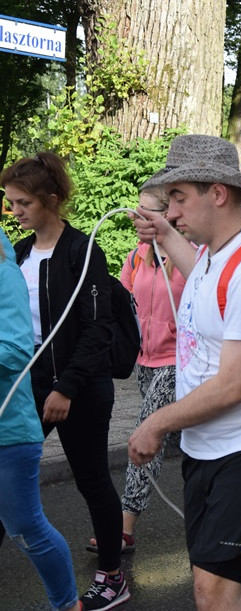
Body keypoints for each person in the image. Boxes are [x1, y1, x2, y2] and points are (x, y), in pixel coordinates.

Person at [127, 134, 241, 610]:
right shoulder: (218, 253)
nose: (170, 212)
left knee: (214, 589)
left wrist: (156, 422)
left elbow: (232, 386)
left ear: (218, 193)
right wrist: (167, 237)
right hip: (212, 449)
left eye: (178, 197)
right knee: (233, 578)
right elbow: (205, 281)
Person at [2, 152, 129, 610]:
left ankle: (112, 577)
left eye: (22, 204)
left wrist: (66, 387)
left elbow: (100, 330)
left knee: (92, 480)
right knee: (7, 483)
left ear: (51, 200)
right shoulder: (15, 253)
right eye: (10, 203)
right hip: (29, 388)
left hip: (80, 388)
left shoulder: (82, 251)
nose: (14, 212)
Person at [96, 187, 186, 556]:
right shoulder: (136, 258)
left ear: (165, 217)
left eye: (144, 213)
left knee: (145, 435)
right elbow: (121, 305)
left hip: (178, 362)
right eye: (135, 212)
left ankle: (124, 527)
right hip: (144, 361)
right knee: (189, 445)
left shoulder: (190, 257)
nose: (135, 219)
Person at [0, 227, 79, 611]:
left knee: (25, 527)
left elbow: (16, 349)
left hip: (8, 431)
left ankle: (67, 605)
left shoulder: (3, 267)